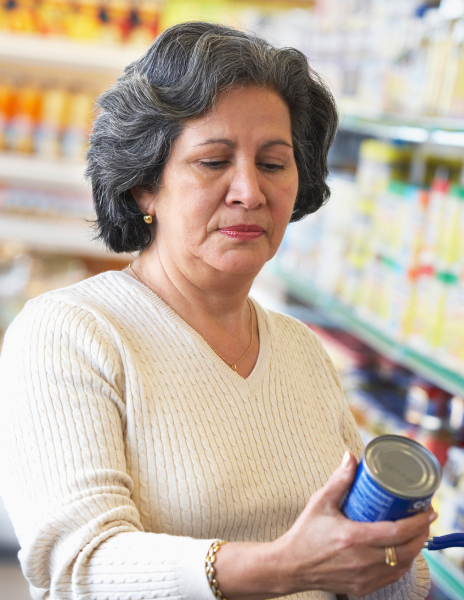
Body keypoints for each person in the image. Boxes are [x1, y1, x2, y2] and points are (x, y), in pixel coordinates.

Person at [0, 21, 434, 600]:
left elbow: (375, 573)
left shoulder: (301, 350)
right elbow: (78, 568)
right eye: (213, 161)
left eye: (274, 163)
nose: (250, 192)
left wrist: (392, 557)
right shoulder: (70, 333)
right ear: (143, 186)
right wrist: (286, 566)